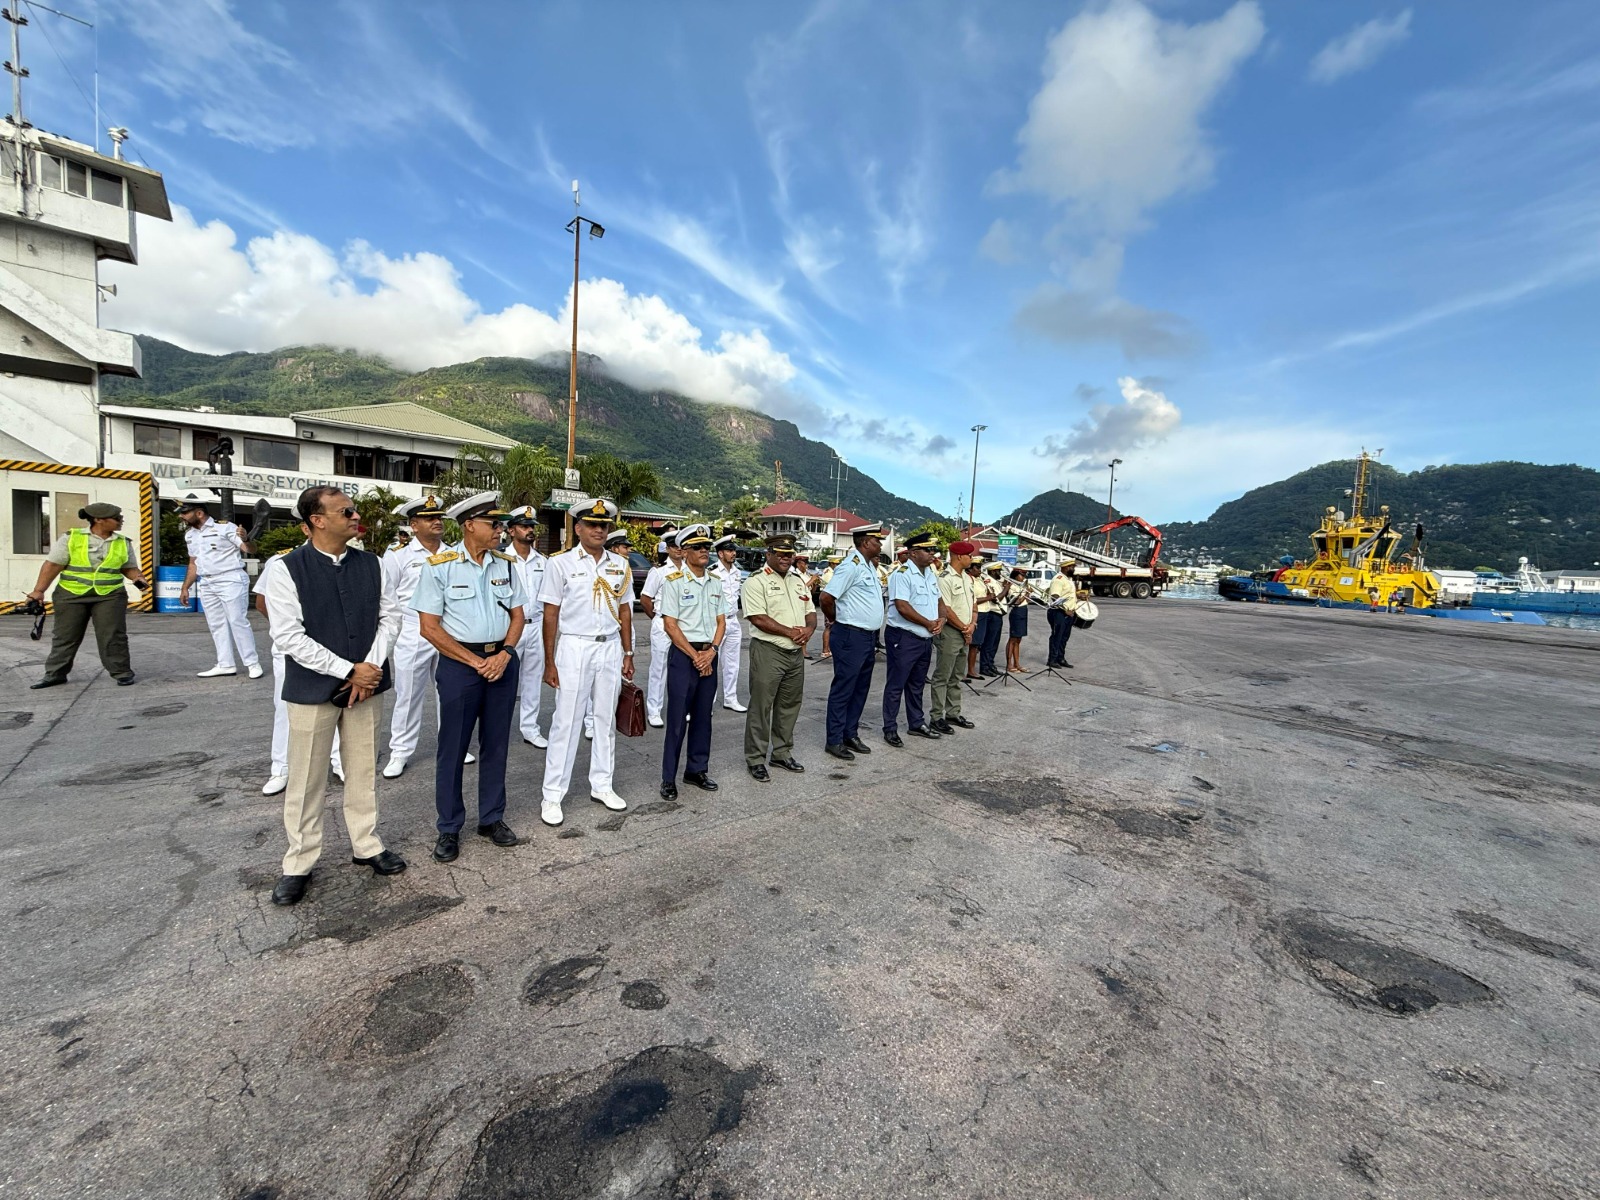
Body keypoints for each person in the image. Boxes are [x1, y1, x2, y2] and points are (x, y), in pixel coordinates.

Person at [264, 486, 405, 906]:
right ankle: (299, 861)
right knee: (306, 777)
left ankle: (366, 844)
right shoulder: (285, 568)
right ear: (317, 520)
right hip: (312, 688)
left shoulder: (373, 564)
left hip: (367, 685)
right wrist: (348, 670)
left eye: (354, 510)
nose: (355, 516)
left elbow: (390, 617)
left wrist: (369, 668)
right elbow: (288, 635)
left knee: (362, 769)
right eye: (346, 511)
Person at [411, 493, 524, 862]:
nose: (500, 530)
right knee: (454, 747)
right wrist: (476, 662)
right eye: (494, 524)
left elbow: (519, 616)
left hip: (502, 662)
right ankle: (449, 826)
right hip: (461, 665)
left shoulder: (506, 565)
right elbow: (429, 628)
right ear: (469, 525)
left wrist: (505, 654)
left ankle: (491, 818)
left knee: (496, 745)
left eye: (501, 524)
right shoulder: (439, 567)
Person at [538, 496, 636, 826]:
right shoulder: (560, 563)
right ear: (578, 528)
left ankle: (602, 785)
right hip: (575, 646)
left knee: (605, 720)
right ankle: (553, 794)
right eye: (592, 524)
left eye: (603, 525)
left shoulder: (619, 564)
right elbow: (550, 614)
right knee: (566, 721)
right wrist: (549, 661)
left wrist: (628, 653)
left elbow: (625, 611)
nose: (599, 530)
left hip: (609, 647)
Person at [381, 496, 475, 777]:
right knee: (409, 693)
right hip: (413, 629)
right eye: (429, 518)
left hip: (448, 629)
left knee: (452, 692)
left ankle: (454, 744)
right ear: (413, 525)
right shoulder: (398, 556)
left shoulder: (454, 553)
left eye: (439, 518)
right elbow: (387, 597)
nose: (437, 522)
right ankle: (400, 751)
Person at [255, 528, 342, 796]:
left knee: (339, 703)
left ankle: (339, 761)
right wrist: (289, 631)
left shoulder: (346, 559)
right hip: (293, 650)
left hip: (336, 649)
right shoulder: (283, 561)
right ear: (308, 526)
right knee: (286, 708)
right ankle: (281, 767)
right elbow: (262, 603)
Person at [26, 501, 147, 689]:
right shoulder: (71, 538)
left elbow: (128, 567)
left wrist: (138, 578)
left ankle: (122, 672)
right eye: (116, 518)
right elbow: (53, 565)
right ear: (98, 520)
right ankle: (55, 674)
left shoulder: (122, 542)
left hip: (110, 595)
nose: (120, 520)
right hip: (71, 594)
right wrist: (38, 591)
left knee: (113, 635)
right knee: (65, 636)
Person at [657, 525, 726, 800]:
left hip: (709, 654)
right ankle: (668, 778)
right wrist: (696, 656)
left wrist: (712, 651)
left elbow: (722, 622)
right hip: (685, 657)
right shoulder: (673, 582)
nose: (704, 551)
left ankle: (696, 770)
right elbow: (670, 625)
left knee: (703, 717)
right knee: (677, 719)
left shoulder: (715, 582)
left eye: (706, 546)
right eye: (697, 547)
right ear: (684, 552)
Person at [742, 533, 815, 782]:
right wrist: (790, 632)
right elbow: (757, 618)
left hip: (795, 653)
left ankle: (781, 753)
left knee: (789, 705)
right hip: (769, 651)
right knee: (761, 707)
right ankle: (755, 758)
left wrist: (809, 629)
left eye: (789, 555)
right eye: (781, 554)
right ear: (769, 554)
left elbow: (810, 611)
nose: (786, 559)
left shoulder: (797, 581)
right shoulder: (756, 581)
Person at [819, 522, 887, 761]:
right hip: (851, 635)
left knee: (860, 689)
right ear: (866, 542)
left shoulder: (868, 566)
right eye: (877, 541)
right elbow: (826, 598)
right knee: (844, 689)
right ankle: (834, 739)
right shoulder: (851, 566)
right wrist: (837, 619)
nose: (880, 545)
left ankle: (850, 733)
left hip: (867, 636)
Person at [177, 492, 263, 679]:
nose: (181, 517)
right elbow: (193, 563)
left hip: (230, 579)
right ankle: (225, 664)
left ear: (199, 513)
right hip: (207, 582)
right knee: (216, 624)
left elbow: (249, 549)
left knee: (237, 621)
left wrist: (246, 539)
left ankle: (252, 663)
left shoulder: (225, 528)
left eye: (184, 513)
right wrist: (185, 587)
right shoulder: (190, 535)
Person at [881, 530, 945, 746]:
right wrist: (928, 623)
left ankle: (916, 723)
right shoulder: (902, 574)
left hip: (924, 638)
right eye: (928, 550)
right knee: (896, 684)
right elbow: (902, 606)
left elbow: (939, 600)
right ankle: (890, 728)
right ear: (914, 553)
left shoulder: (930, 573)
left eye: (933, 550)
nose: (933, 553)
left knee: (917, 684)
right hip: (904, 636)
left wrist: (942, 619)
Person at [505, 505, 550, 749]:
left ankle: (530, 728)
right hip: (509, 628)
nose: (530, 530)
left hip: (536, 626)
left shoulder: (542, 561)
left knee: (532, 680)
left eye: (532, 526)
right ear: (511, 531)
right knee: (504, 681)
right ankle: (498, 727)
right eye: (524, 526)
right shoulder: (500, 559)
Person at [930, 540, 979, 734]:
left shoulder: (967, 578)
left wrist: (972, 625)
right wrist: (964, 628)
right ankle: (936, 717)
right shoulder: (945, 578)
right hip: (951, 632)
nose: (972, 559)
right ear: (959, 556)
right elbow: (946, 610)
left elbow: (973, 605)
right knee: (943, 675)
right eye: (969, 556)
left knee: (957, 675)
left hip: (965, 631)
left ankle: (952, 712)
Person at [639, 536, 685, 729]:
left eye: (681, 546)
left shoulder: (690, 570)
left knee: (683, 668)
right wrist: (658, 618)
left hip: (685, 624)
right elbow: (645, 599)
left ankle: (681, 708)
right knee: (659, 668)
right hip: (664, 622)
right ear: (667, 549)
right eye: (673, 546)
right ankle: (654, 710)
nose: (678, 549)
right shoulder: (659, 572)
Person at [710, 533, 748, 712]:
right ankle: (707, 702)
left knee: (732, 663)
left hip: (733, 620)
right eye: (729, 550)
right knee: (711, 663)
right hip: (717, 622)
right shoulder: (712, 573)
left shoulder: (737, 572)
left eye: (734, 550)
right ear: (720, 553)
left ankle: (730, 698)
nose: (733, 553)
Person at [1045, 559, 1080, 668]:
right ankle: (1052, 660)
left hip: (1068, 613)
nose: (1073, 569)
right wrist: (1065, 609)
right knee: (1057, 636)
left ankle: (1060, 658)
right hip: (1058, 612)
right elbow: (1055, 596)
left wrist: (1079, 596)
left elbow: (1067, 595)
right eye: (1072, 567)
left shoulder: (1068, 579)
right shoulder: (1058, 579)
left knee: (1064, 637)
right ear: (1065, 567)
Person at [976, 563, 1008, 676]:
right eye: (999, 571)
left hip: (998, 614)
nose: (1001, 573)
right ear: (993, 571)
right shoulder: (989, 581)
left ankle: (990, 664)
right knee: (989, 642)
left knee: (995, 642)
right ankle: (984, 666)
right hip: (992, 614)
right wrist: (1006, 588)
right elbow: (996, 599)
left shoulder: (996, 582)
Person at [1005, 567, 1034, 673]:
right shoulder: (1012, 586)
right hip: (1016, 612)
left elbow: (1026, 601)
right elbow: (1016, 602)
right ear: (1016, 575)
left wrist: (1028, 594)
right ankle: (1009, 664)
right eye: (1022, 575)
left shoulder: (1022, 585)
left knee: (1018, 640)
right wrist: (1026, 593)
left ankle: (1017, 664)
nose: (1023, 578)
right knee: (1013, 639)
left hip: (1023, 611)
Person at [964, 556, 986, 680]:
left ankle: (971, 670)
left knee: (976, 644)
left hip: (982, 613)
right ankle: (963, 671)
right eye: (977, 567)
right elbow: (974, 599)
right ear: (970, 568)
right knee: (969, 644)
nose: (980, 570)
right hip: (975, 613)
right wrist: (988, 598)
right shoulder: (967, 579)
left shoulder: (980, 580)